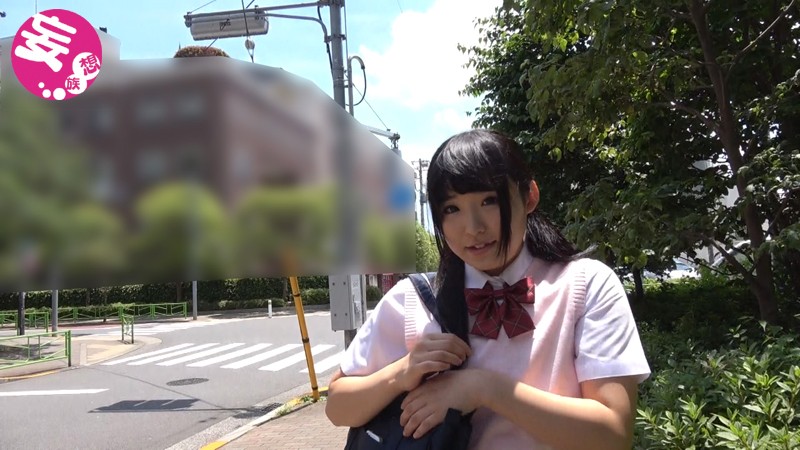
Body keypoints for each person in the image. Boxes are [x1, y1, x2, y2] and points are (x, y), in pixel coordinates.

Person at [326, 129, 651, 450]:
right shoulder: (414, 300)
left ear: (529, 197)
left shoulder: (586, 285)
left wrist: (483, 388)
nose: (473, 228)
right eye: (452, 209)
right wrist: (402, 373)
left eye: (489, 201)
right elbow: (337, 407)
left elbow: (612, 434)